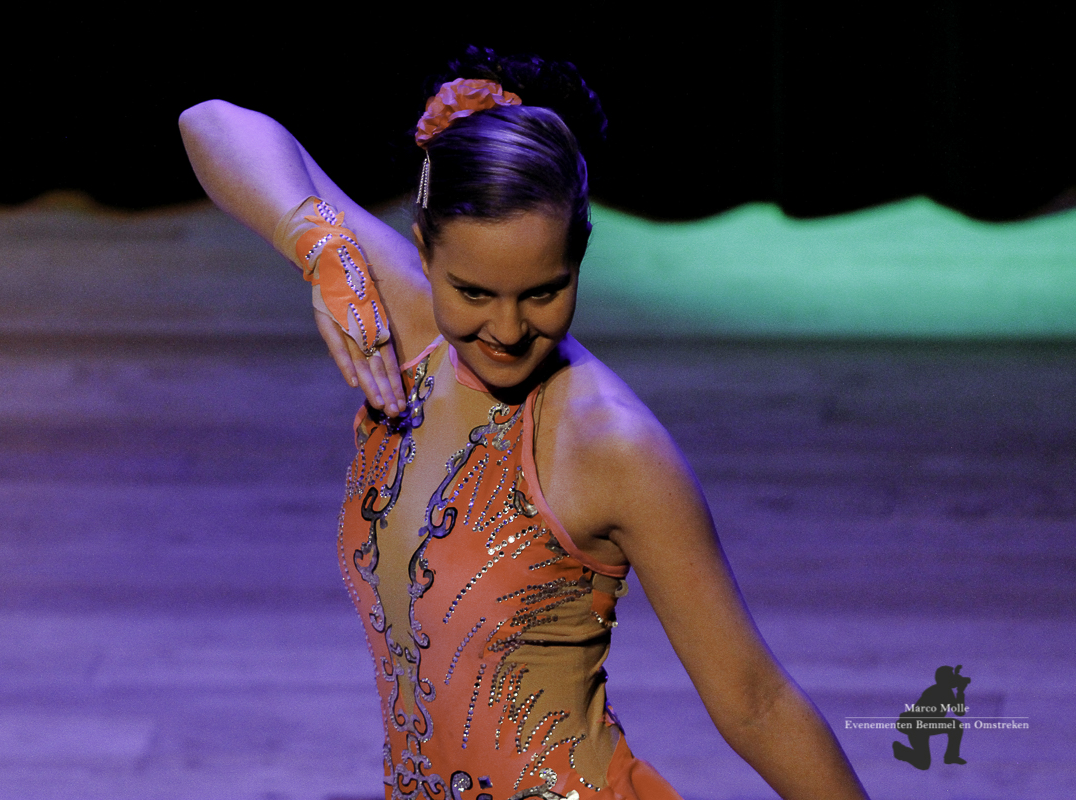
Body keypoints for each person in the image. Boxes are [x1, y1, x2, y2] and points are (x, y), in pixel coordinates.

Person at [180, 47, 869, 800]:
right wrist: (320, 250)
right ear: (423, 252)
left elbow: (756, 703)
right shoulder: (411, 329)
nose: (507, 331)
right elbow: (209, 124)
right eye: (473, 292)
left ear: (581, 254)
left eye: (544, 291)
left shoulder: (612, 446)